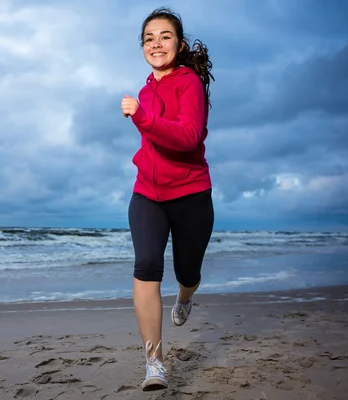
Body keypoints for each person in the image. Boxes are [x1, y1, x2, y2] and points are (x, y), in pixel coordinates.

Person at [120, 7, 215, 391]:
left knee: (187, 273)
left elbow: (189, 137)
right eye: (148, 38)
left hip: (191, 193)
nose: (156, 44)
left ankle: (186, 296)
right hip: (147, 193)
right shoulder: (145, 89)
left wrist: (142, 118)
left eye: (164, 36)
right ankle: (154, 362)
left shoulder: (188, 82)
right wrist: (143, 114)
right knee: (145, 266)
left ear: (177, 42)